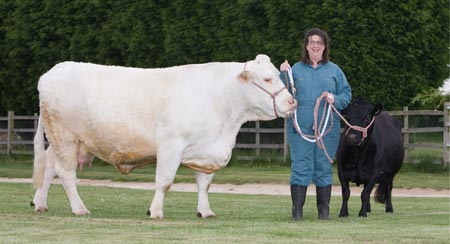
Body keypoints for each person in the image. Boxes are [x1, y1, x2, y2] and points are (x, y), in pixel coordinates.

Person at [279, 28, 352, 221]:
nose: (316, 45)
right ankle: (297, 212)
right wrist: (283, 74)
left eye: (319, 42)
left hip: (327, 131)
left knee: (323, 167)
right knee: (300, 167)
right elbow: (284, 94)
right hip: (299, 129)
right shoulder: (295, 69)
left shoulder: (334, 71)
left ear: (324, 46)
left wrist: (334, 98)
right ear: (306, 46)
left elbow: (346, 95)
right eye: (312, 42)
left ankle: (324, 212)